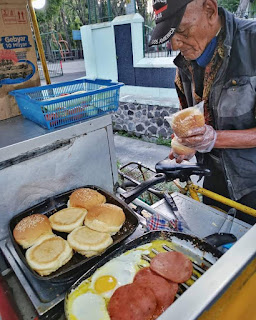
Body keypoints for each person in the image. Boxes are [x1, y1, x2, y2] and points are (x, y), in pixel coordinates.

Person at [149, 0, 256, 224]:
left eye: (181, 30)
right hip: (213, 182)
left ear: (209, 10)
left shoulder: (253, 43)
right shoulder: (185, 65)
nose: (175, 44)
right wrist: (187, 143)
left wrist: (215, 138)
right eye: (170, 36)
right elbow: (189, 119)